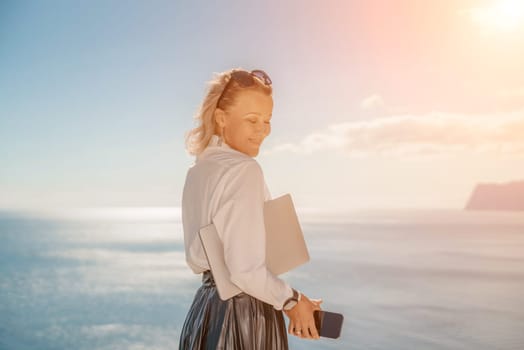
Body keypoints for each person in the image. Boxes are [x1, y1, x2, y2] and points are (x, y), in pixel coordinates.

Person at [178, 67, 322, 349]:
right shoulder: (244, 170)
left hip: (204, 312)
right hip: (243, 315)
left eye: (267, 120)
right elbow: (244, 272)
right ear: (221, 118)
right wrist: (292, 301)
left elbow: (198, 259)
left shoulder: (197, 172)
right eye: (252, 120)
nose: (263, 130)